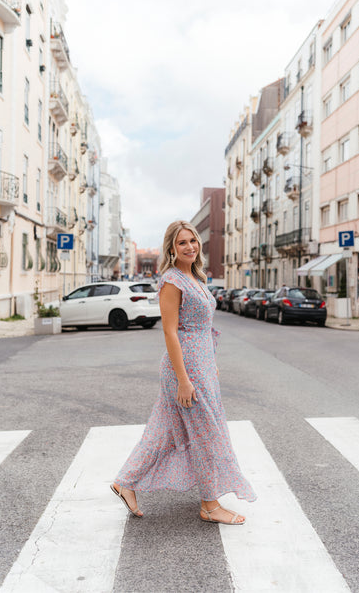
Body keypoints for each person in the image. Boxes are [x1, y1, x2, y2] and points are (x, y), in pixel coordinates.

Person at [111, 220, 256, 524]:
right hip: (185, 371)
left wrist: (210, 362)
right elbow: (170, 333)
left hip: (201, 368)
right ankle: (209, 505)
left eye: (192, 240)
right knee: (206, 436)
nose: (190, 246)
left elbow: (201, 329)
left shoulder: (195, 277)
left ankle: (125, 482)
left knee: (162, 433)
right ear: (171, 249)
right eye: (182, 243)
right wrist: (184, 379)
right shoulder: (172, 281)